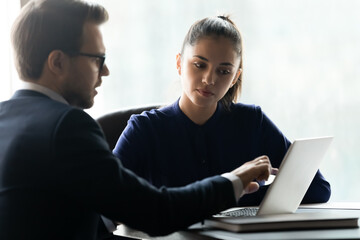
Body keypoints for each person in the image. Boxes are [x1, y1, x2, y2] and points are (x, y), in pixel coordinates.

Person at [0, 1, 276, 239]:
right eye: (98, 58)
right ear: (58, 62)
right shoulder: (68, 126)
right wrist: (234, 181)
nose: (105, 70)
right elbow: (156, 212)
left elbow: (105, 213)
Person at [113, 15, 331, 206]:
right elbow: (106, 198)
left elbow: (319, 189)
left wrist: (253, 192)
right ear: (179, 64)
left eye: (224, 71)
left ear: (235, 77)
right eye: (199, 65)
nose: (209, 79)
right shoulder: (144, 129)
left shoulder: (252, 122)